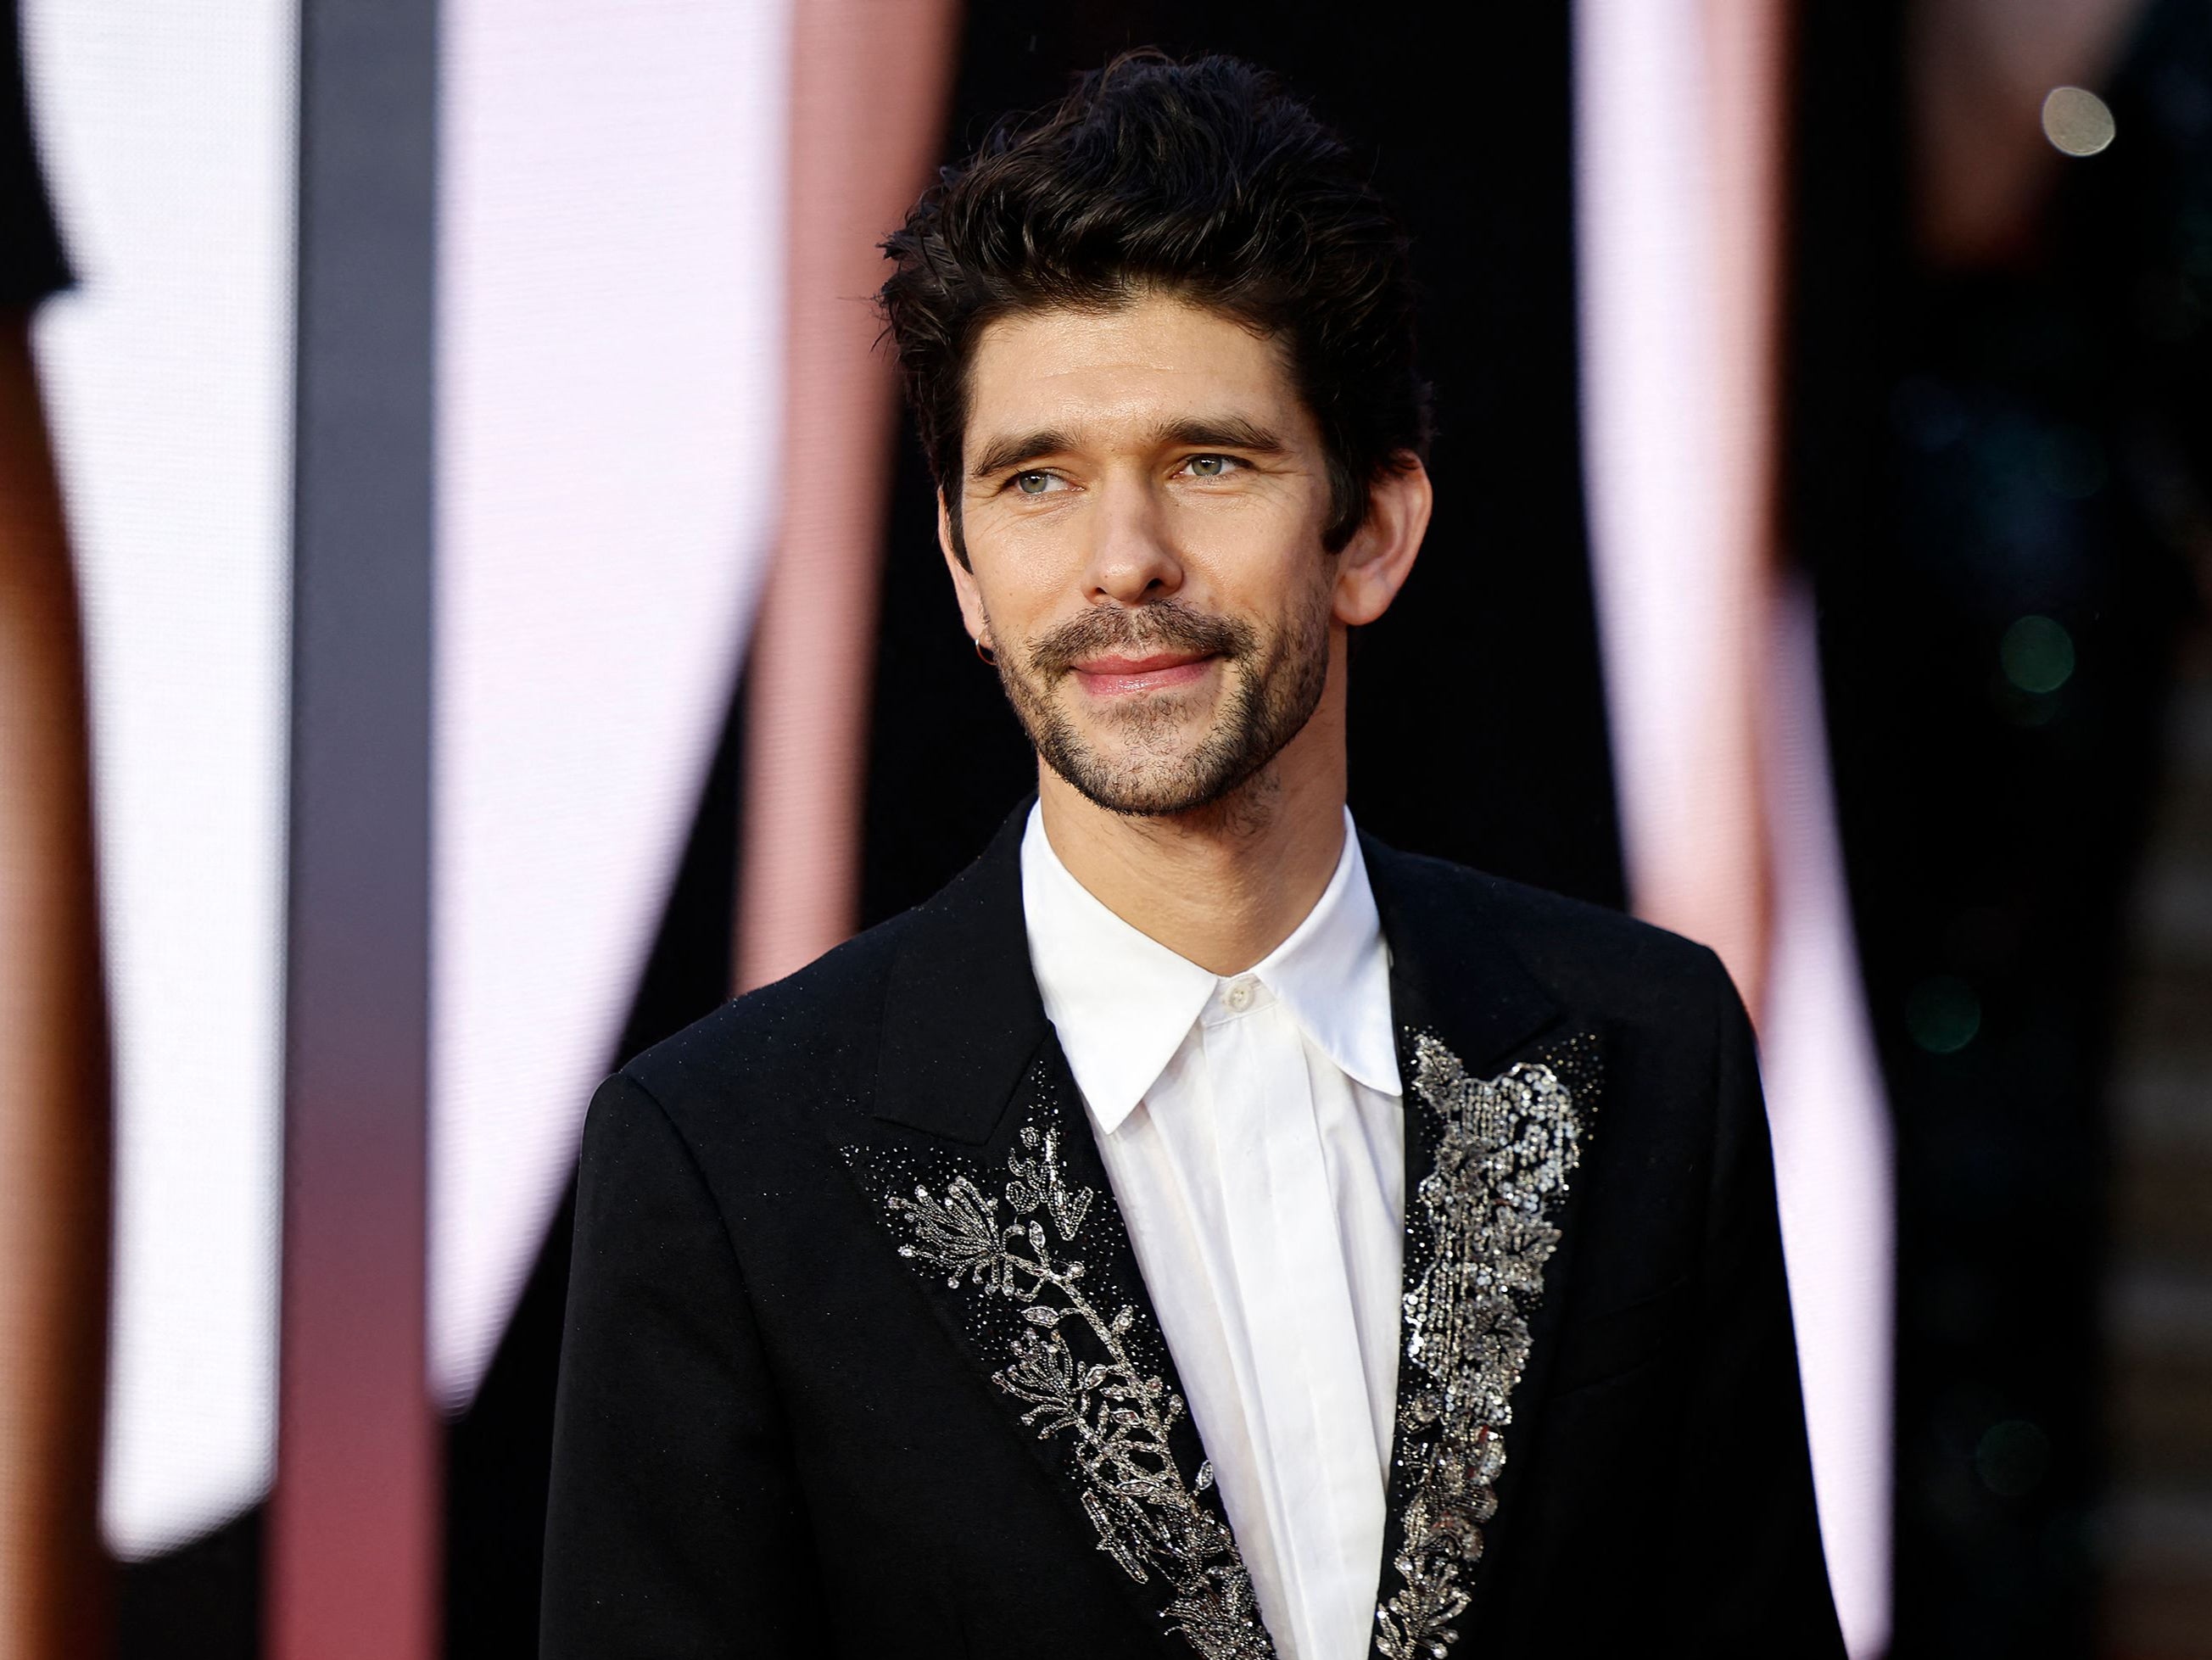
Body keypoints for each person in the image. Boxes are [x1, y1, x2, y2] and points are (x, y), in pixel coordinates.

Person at [542, 53, 1843, 1660]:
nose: (1124, 561)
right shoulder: (724, 1156)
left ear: (1372, 531)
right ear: (962, 567)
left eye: (1209, 462)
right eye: (1038, 481)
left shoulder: (1650, 1051)